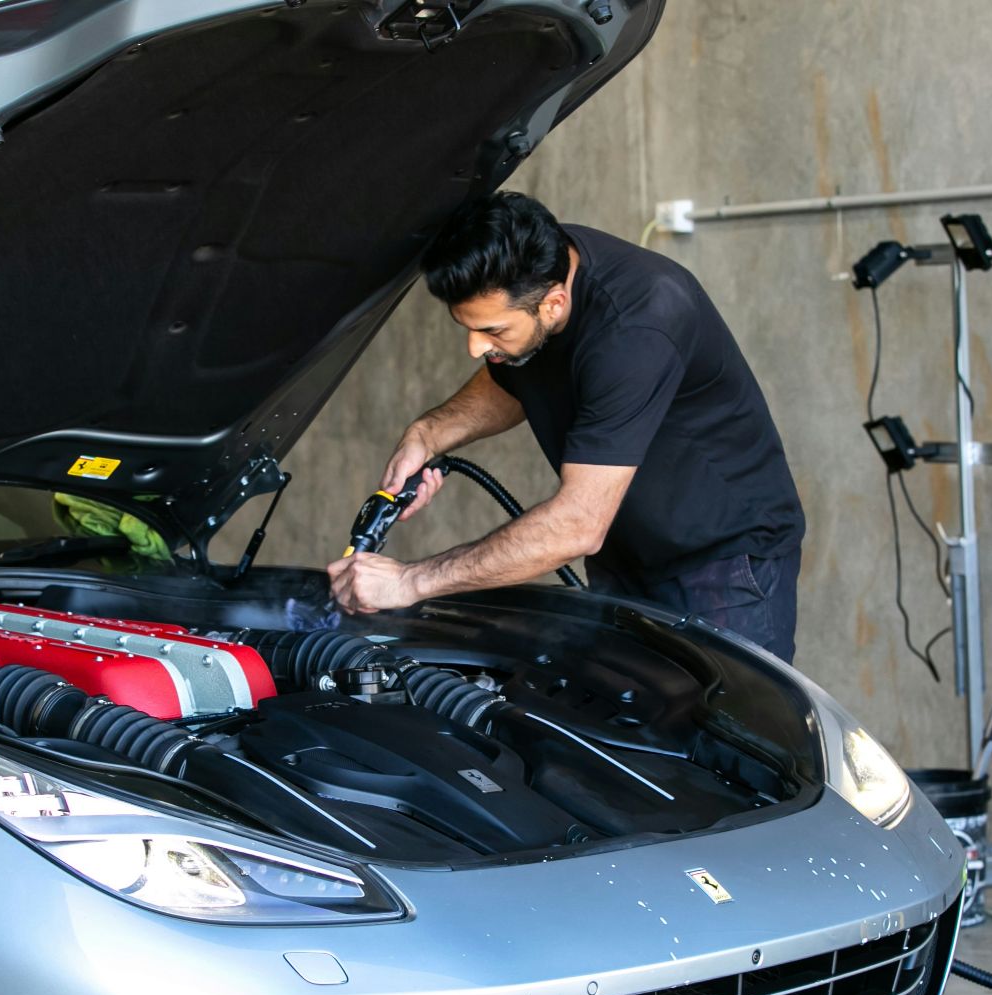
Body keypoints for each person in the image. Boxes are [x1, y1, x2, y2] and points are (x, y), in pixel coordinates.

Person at [325, 191, 807, 661]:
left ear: (554, 304)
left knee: (720, 740)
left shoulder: (638, 326)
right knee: (617, 735)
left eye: (492, 330)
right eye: (468, 328)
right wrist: (428, 433)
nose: (475, 348)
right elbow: (514, 375)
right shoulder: (542, 266)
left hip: (726, 566)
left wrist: (410, 582)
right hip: (626, 555)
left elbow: (576, 526)